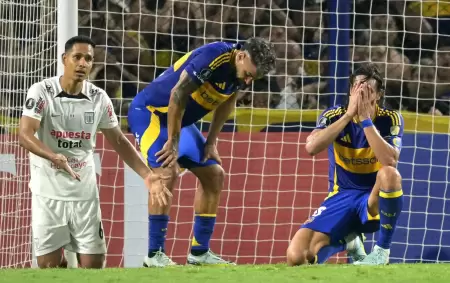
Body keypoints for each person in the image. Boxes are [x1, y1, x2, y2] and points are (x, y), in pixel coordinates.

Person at [19, 35, 171, 269]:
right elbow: (25, 134)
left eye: (88, 59)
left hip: (85, 195)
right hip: (48, 194)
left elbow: (119, 141)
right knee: (48, 268)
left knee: (93, 266)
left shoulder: (99, 98)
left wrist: (147, 175)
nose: (82, 63)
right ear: (64, 59)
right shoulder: (41, 91)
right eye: (77, 57)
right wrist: (53, 156)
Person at [128, 37, 277, 267]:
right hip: (152, 114)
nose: (248, 81)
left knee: (214, 175)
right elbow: (178, 94)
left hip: (180, 122)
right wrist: (173, 141)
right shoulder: (213, 58)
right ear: (240, 56)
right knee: (167, 172)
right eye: (248, 74)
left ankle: (199, 253)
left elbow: (228, 102)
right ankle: (154, 254)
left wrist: (211, 142)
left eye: (252, 78)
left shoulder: (238, 72)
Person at [286, 63, 404, 266]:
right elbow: (311, 148)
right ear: (350, 91)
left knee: (390, 175)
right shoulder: (334, 115)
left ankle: (381, 252)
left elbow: (390, 160)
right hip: (341, 195)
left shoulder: (390, 118)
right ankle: (351, 241)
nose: (361, 95)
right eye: (357, 89)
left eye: (367, 91)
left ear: (378, 95)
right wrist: (349, 115)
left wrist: (366, 120)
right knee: (297, 257)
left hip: (372, 197)